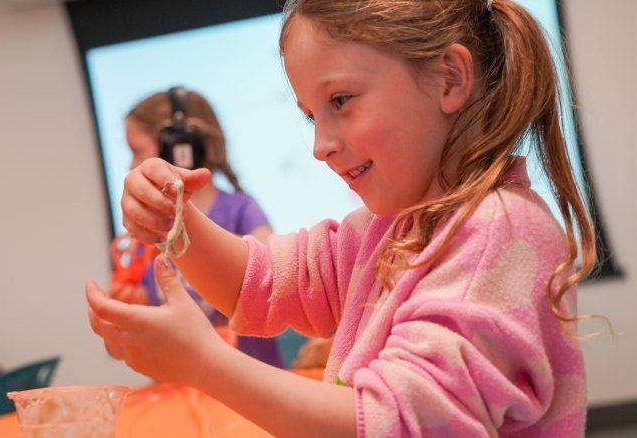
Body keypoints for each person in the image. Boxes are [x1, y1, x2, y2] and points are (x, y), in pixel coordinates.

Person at [86, 0, 596, 435]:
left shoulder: (496, 232)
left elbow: (397, 423)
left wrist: (204, 365)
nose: (320, 145)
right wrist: (173, 220)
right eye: (313, 115)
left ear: (449, 78)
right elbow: (259, 282)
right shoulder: (389, 227)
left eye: (340, 101)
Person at [108, 88, 284, 368]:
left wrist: (192, 233)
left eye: (136, 151)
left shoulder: (240, 210)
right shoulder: (148, 231)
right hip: (181, 385)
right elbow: (133, 342)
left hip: (254, 384)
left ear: (180, 148)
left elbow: (275, 271)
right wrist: (124, 322)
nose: (131, 165)